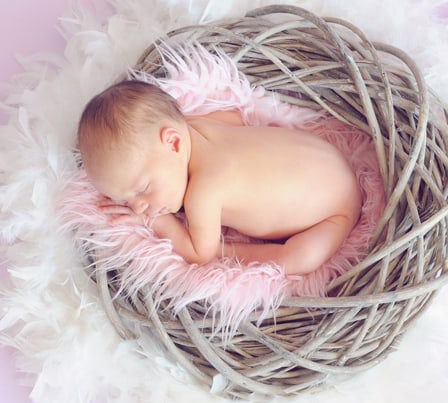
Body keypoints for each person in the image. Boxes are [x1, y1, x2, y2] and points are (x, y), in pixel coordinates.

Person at [77, 80, 363, 276]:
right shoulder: (196, 125)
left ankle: (235, 250)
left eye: (143, 189)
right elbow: (235, 119)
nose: (138, 207)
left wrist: (159, 222)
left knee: (299, 259)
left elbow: (200, 253)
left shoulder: (203, 192)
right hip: (327, 156)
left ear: (174, 143)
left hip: (335, 212)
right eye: (124, 201)